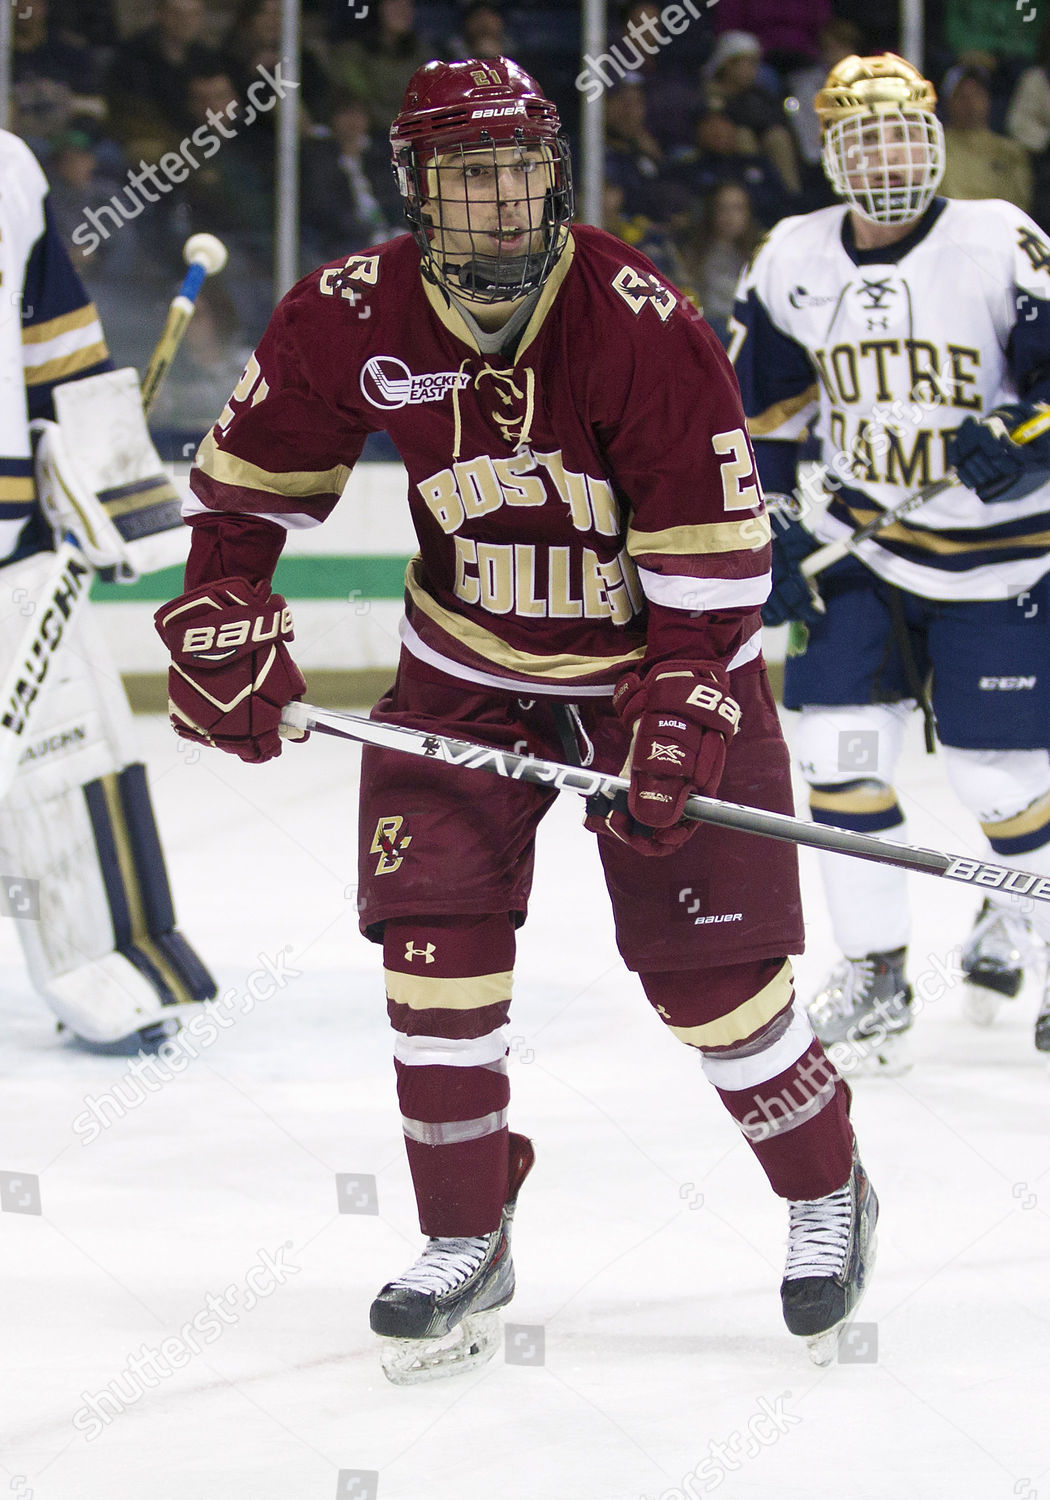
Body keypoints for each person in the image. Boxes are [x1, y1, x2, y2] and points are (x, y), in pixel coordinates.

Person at [155, 56, 877, 1383]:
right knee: (431, 957)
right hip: (467, 668)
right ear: (419, 188)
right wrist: (222, 607)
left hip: (648, 669)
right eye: (468, 175)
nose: (501, 199)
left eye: (522, 170)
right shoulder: (349, 315)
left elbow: (714, 577)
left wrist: (677, 710)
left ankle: (825, 1185)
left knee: (711, 981)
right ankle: (464, 1229)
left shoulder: (640, 320)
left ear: (554, 170)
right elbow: (248, 500)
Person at [731, 52, 1050, 1069]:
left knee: (997, 776)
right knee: (835, 755)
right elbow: (766, 416)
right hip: (859, 542)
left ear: (938, 143)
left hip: (1002, 560)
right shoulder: (791, 255)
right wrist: (774, 526)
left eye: (906, 134)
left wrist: (1022, 433)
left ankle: (1024, 922)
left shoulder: (1000, 239)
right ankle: (876, 971)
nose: (889, 156)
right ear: (830, 153)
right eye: (865, 138)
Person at [0, 127, 215, 1053]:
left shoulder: (5, 169)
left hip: (12, 541)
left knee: (69, 757)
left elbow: (55, 344)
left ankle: (115, 968)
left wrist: (108, 485)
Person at [939, 64, 1032, 212]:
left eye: (977, 94)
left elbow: (1019, 207)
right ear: (948, 101)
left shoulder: (1010, 152)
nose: (970, 103)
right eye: (962, 96)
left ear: (988, 99)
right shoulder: (934, 147)